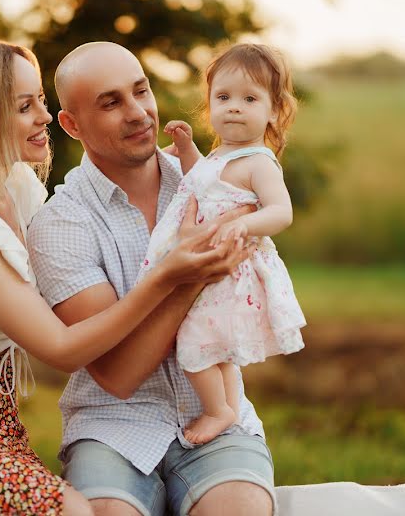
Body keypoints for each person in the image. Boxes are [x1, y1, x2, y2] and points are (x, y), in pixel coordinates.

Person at [0, 39, 246, 515]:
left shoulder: (18, 191)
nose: (44, 118)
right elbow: (63, 350)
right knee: (75, 511)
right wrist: (168, 275)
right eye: (24, 106)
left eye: (42, 102)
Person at [28, 42, 278, 516]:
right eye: (111, 102)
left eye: (141, 91)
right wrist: (182, 277)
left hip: (216, 416)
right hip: (111, 428)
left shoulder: (212, 184)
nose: (138, 112)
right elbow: (117, 375)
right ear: (72, 125)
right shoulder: (59, 224)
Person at [142, 43, 307, 446]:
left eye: (249, 99)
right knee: (217, 346)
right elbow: (202, 180)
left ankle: (218, 410)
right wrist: (185, 149)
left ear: (273, 111)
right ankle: (229, 410)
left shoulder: (259, 162)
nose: (234, 107)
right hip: (206, 267)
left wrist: (246, 224)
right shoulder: (219, 155)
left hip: (229, 273)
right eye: (223, 97)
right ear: (210, 104)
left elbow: (280, 212)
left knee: (194, 344)